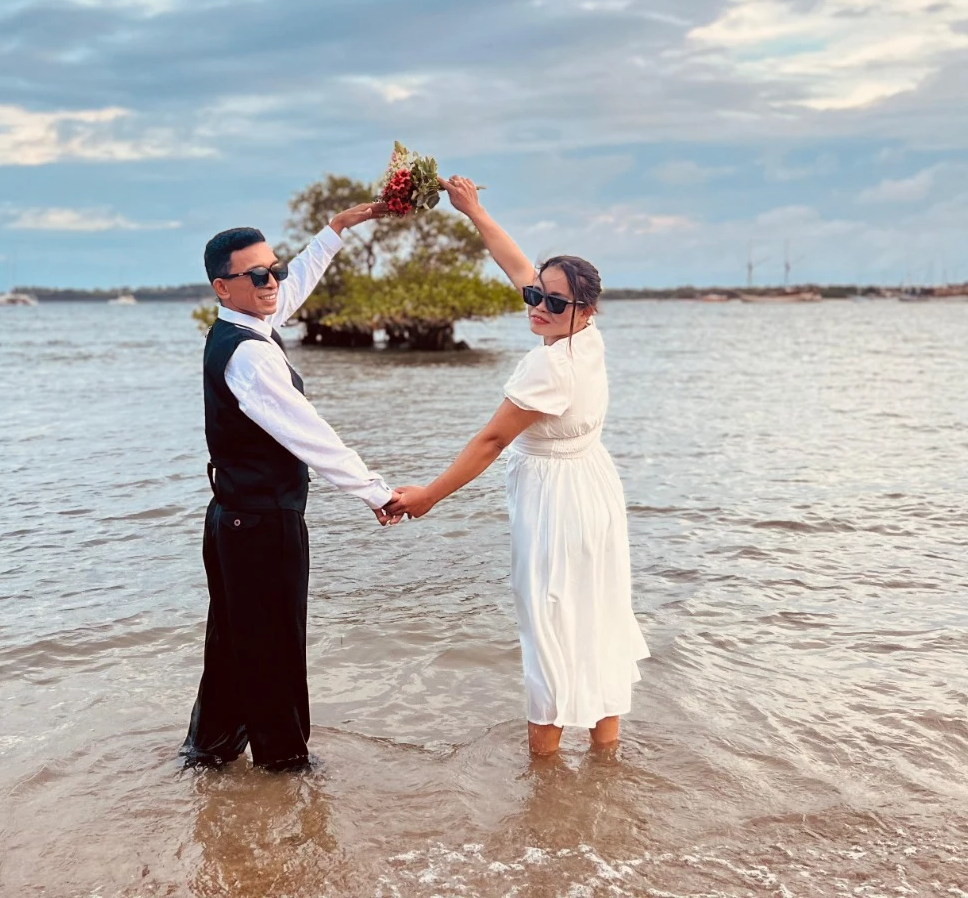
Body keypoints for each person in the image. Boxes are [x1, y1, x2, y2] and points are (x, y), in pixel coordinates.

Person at [387, 176, 650, 756]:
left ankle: (545, 776)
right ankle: (605, 759)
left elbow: (491, 441)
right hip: (593, 488)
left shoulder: (548, 367)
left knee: (550, 624)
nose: (538, 307)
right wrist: (474, 211)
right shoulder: (586, 337)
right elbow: (517, 267)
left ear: (585, 308)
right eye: (537, 295)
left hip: (559, 502)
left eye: (554, 302)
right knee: (595, 615)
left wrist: (428, 495)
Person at [182, 204, 400, 771]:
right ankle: (285, 767)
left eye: (273, 269)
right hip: (261, 523)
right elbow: (311, 435)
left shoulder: (240, 327)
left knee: (233, 643)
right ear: (222, 287)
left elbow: (293, 285)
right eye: (257, 275)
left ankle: (209, 753)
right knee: (274, 646)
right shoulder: (251, 355)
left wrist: (337, 229)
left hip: (231, 518)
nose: (271, 282)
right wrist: (375, 492)